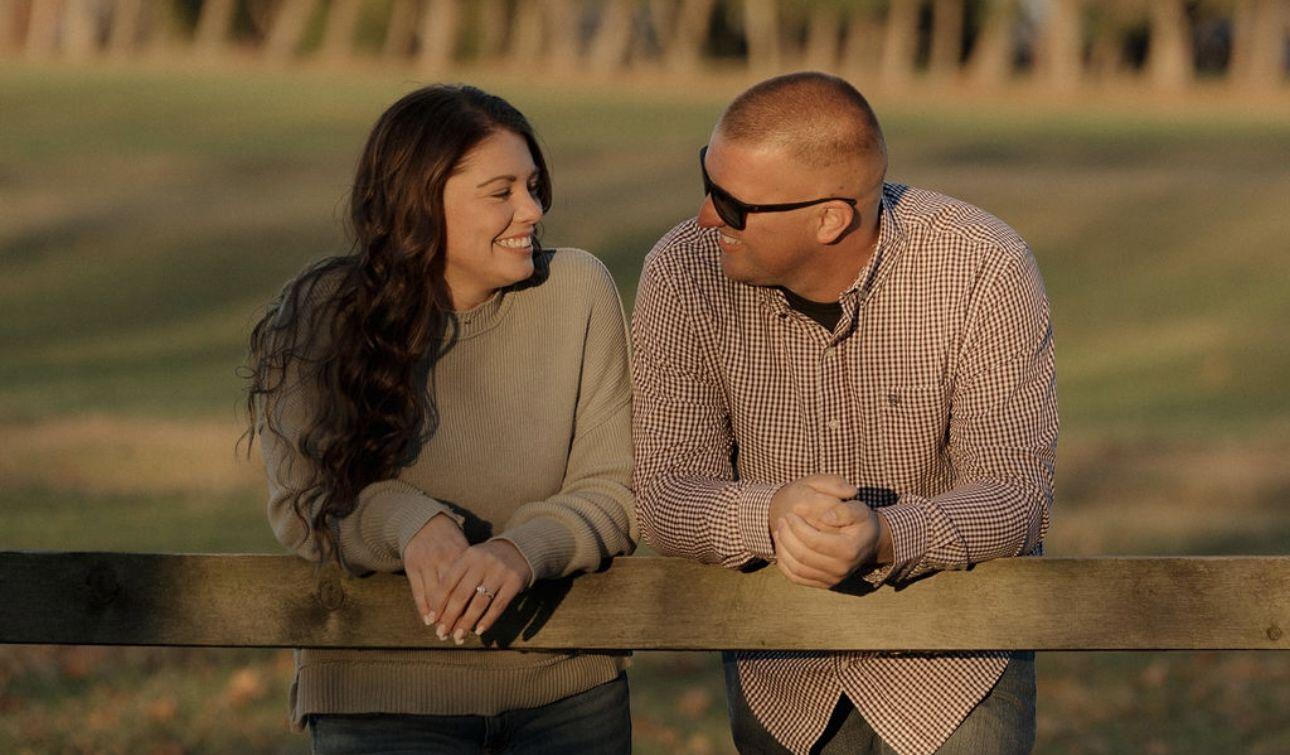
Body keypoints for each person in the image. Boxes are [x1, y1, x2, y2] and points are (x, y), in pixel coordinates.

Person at [632, 72, 1057, 755]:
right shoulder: (680, 272)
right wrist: (773, 515)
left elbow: (1014, 495)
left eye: (733, 204)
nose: (707, 216)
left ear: (830, 218)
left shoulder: (985, 265)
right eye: (707, 180)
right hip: (783, 671)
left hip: (955, 665)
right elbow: (663, 493)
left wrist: (886, 534)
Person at [245, 84, 636, 754]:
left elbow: (617, 487)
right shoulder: (319, 315)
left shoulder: (578, 290)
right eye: (501, 191)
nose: (533, 210)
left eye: (533, 186)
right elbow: (303, 502)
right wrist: (413, 524)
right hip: (380, 700)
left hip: (566, 694)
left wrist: (522, 550)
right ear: (418, 202)